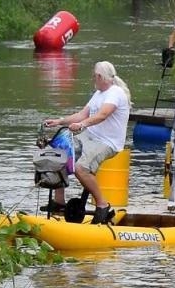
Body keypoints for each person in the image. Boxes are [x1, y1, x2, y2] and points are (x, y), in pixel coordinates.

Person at [43, 61, 130, 224]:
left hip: (107, 142)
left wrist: (82, 125)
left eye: (94, 76)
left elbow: (102, 115)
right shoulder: (98, 93)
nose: (92, 79)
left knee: (81, 168)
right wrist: (59, 121)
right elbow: (81, 114)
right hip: (90, 135)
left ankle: (102, 205)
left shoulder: (115, 93)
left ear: (99, 76)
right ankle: (59, 202)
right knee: (57, 153)